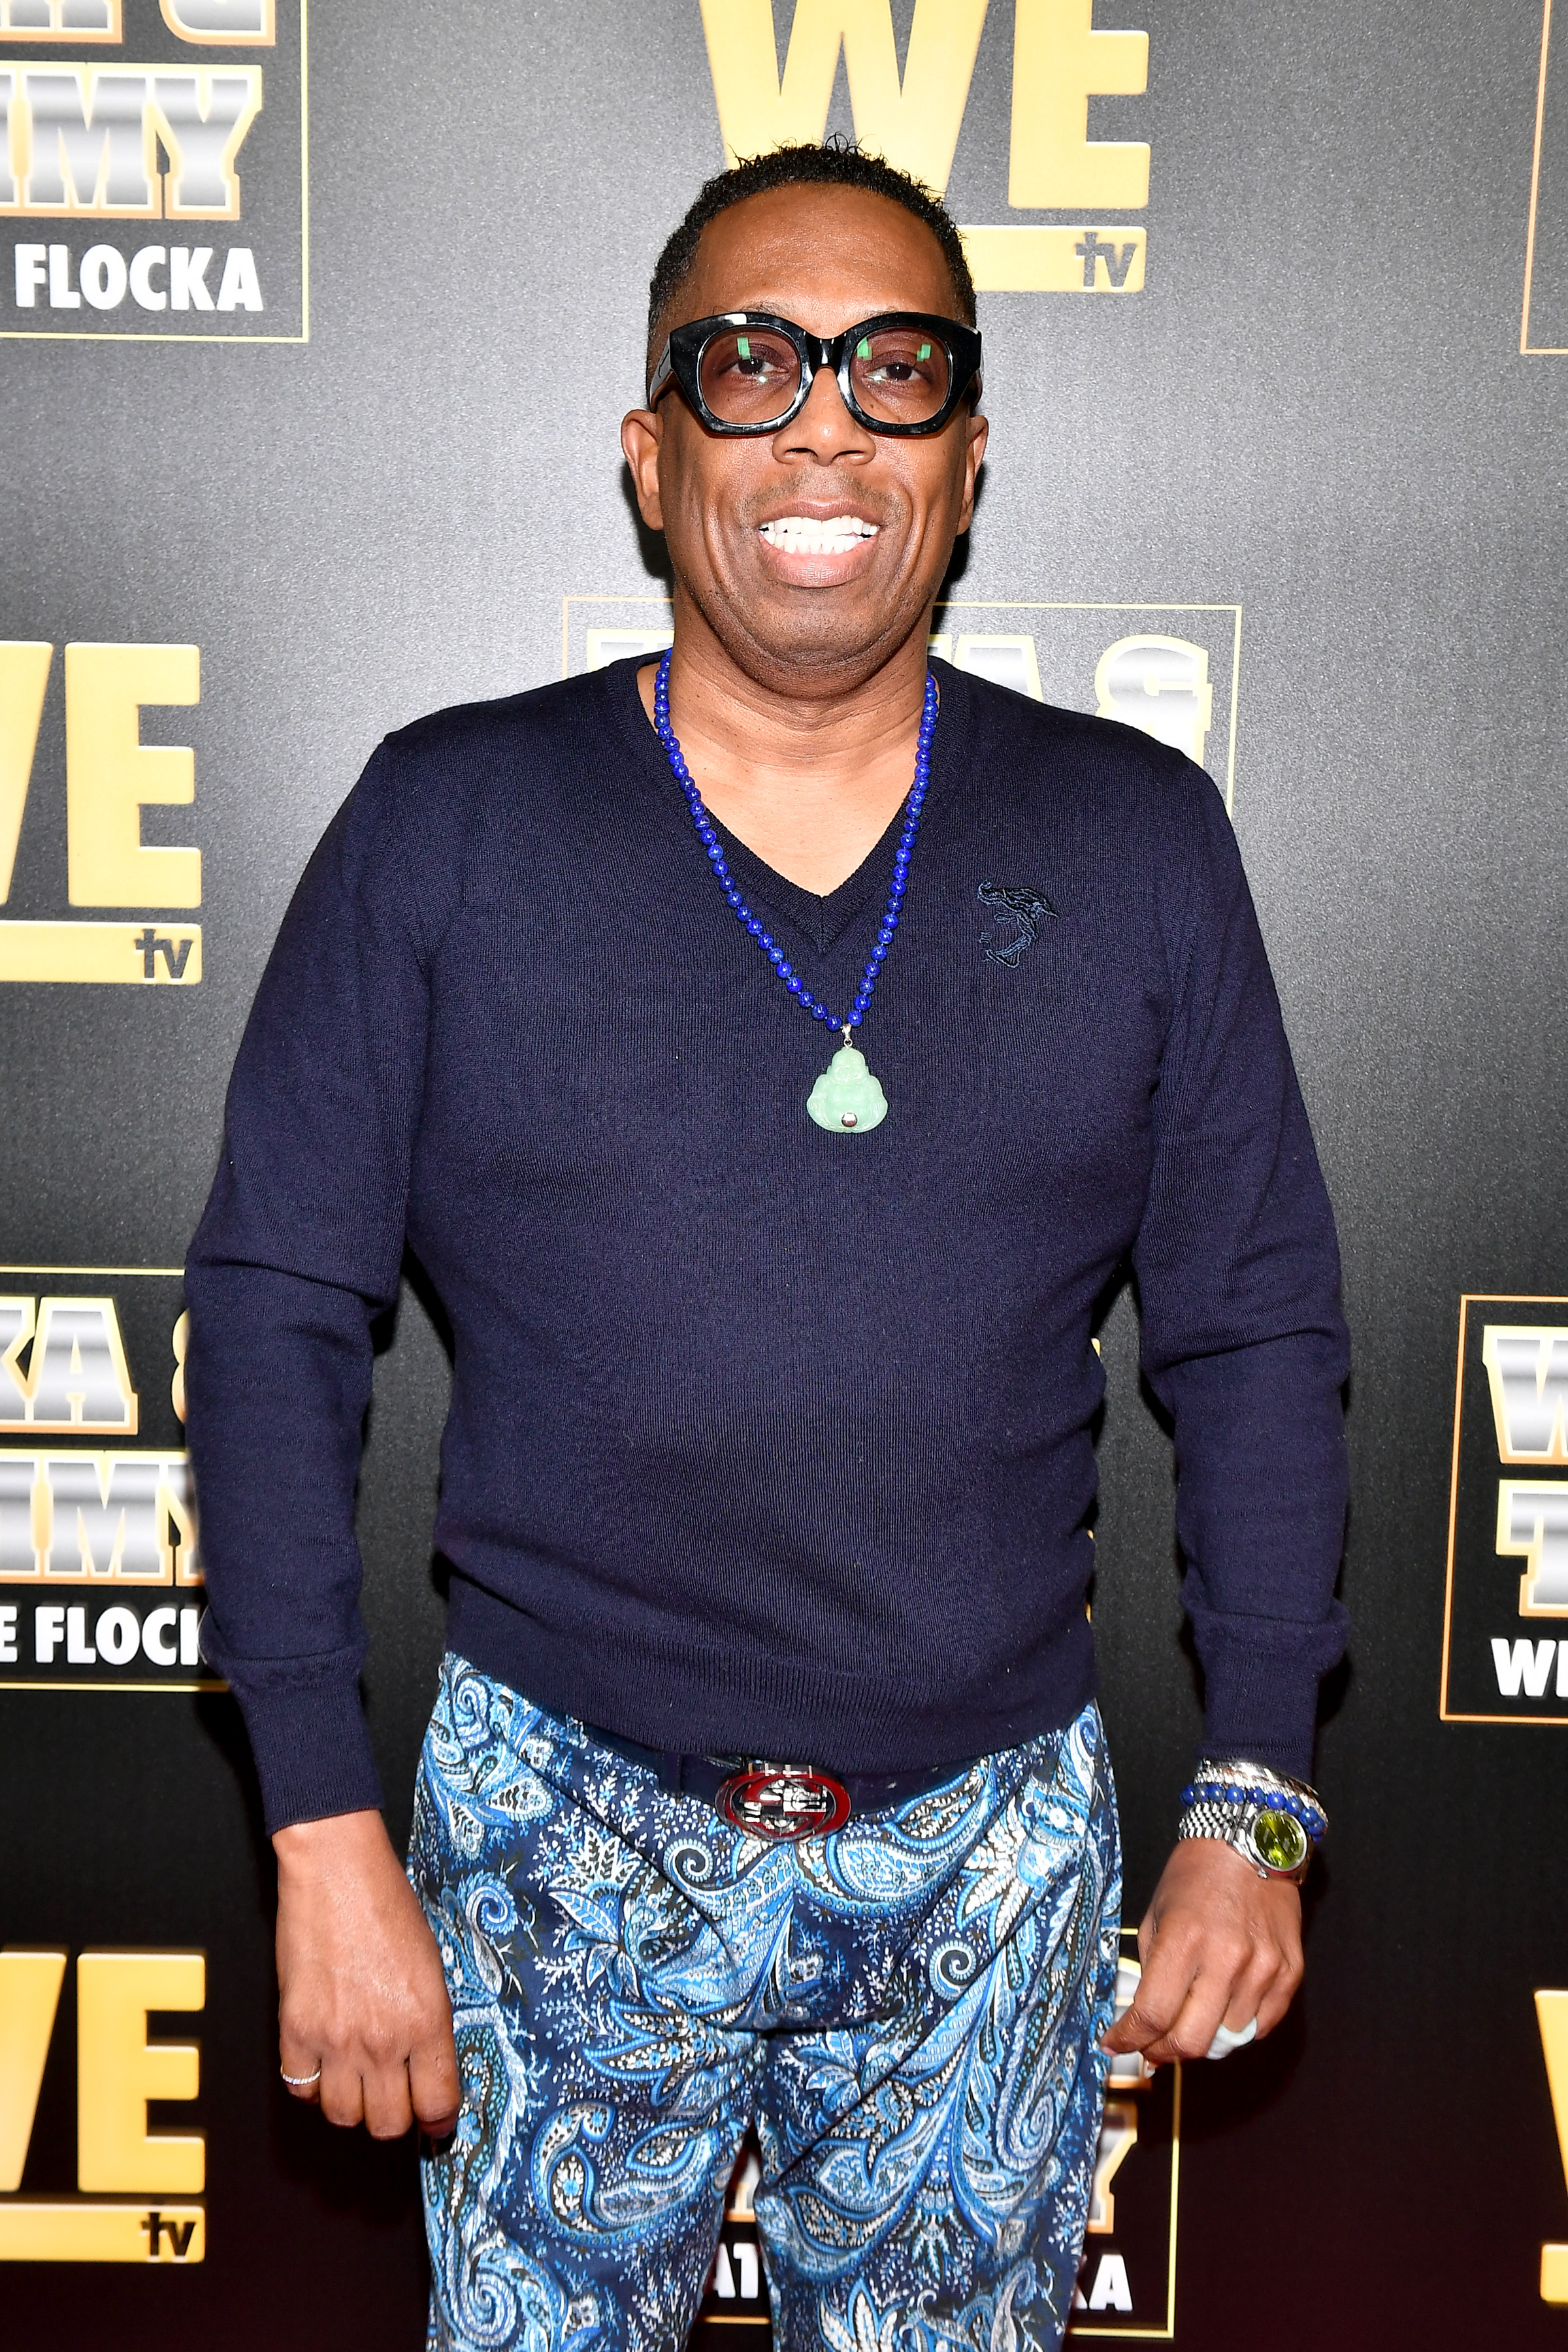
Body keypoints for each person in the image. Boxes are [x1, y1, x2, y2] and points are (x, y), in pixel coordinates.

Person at [186, 142, 1348, 2352]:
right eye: (751, 363)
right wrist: (320, 1831)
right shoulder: (446, 818)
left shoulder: (1137, 840)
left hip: (991, 1850)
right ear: (653, 453)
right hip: (558, 1830)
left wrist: (1262, 1793)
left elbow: (1261, 1335)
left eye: (897, 369)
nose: (825, 424)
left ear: (970, 457)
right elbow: (271, 1316)